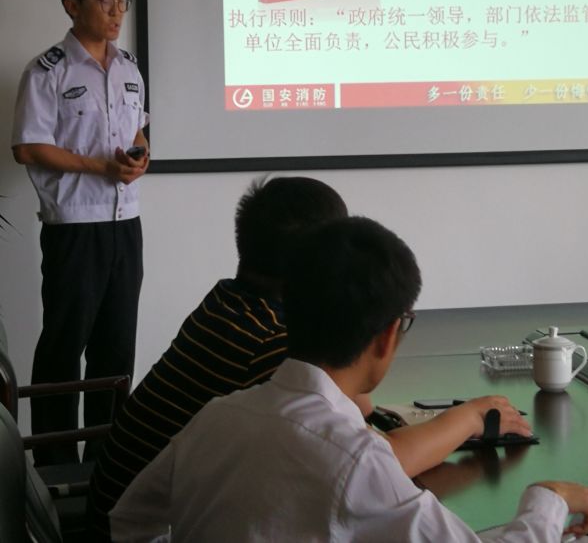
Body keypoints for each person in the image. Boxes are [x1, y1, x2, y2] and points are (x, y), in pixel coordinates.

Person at [90, 175, 532, 539]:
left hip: (125, 507)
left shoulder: (227, 302)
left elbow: (350, 412)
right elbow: (368, 464)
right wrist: (471, 417)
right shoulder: (269, 340)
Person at [11, 0, 149, 465]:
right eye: (104, 0)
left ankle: (107, 460)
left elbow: (137, 131)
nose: (117, 12)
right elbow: (28, 147)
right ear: (73, 6)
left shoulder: (129, 66)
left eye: (122, 1)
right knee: (64, 349)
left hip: (125, 224)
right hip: (74, 227)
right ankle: (55, 465)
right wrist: (100, 167)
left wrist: (140, 158)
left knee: (117, 349)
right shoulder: (47, 70)